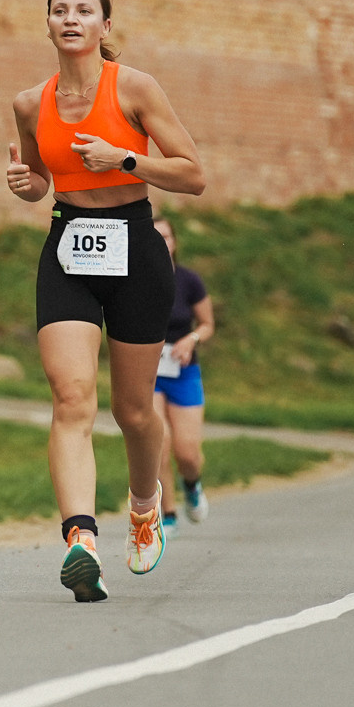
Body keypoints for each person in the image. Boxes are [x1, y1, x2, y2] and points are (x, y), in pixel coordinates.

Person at [5, 0, 208, 600]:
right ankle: (81, 539)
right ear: (47, 23)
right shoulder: (28, 104)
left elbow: (192, 173)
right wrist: (28, 186)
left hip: (136, 249)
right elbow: (39, 176)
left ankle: (145, 510)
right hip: (68, 246)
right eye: (60, 10)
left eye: (84, 10)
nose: (71, 19)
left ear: (104, 24)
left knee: (133, 410)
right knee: (71, 400)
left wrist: (125, 158)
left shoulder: (134, 89)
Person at [152, 216, 215, 527]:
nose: (161, 242)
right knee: (158, 444)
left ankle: (192, 485)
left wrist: (190, 340)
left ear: (175, 242)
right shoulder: (135, 279)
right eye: (155, 237)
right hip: (148, 373)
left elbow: (207, 325)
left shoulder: (189, 281)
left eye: (166, 236)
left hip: (183, 371)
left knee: (187, 453)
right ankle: (169, 513)